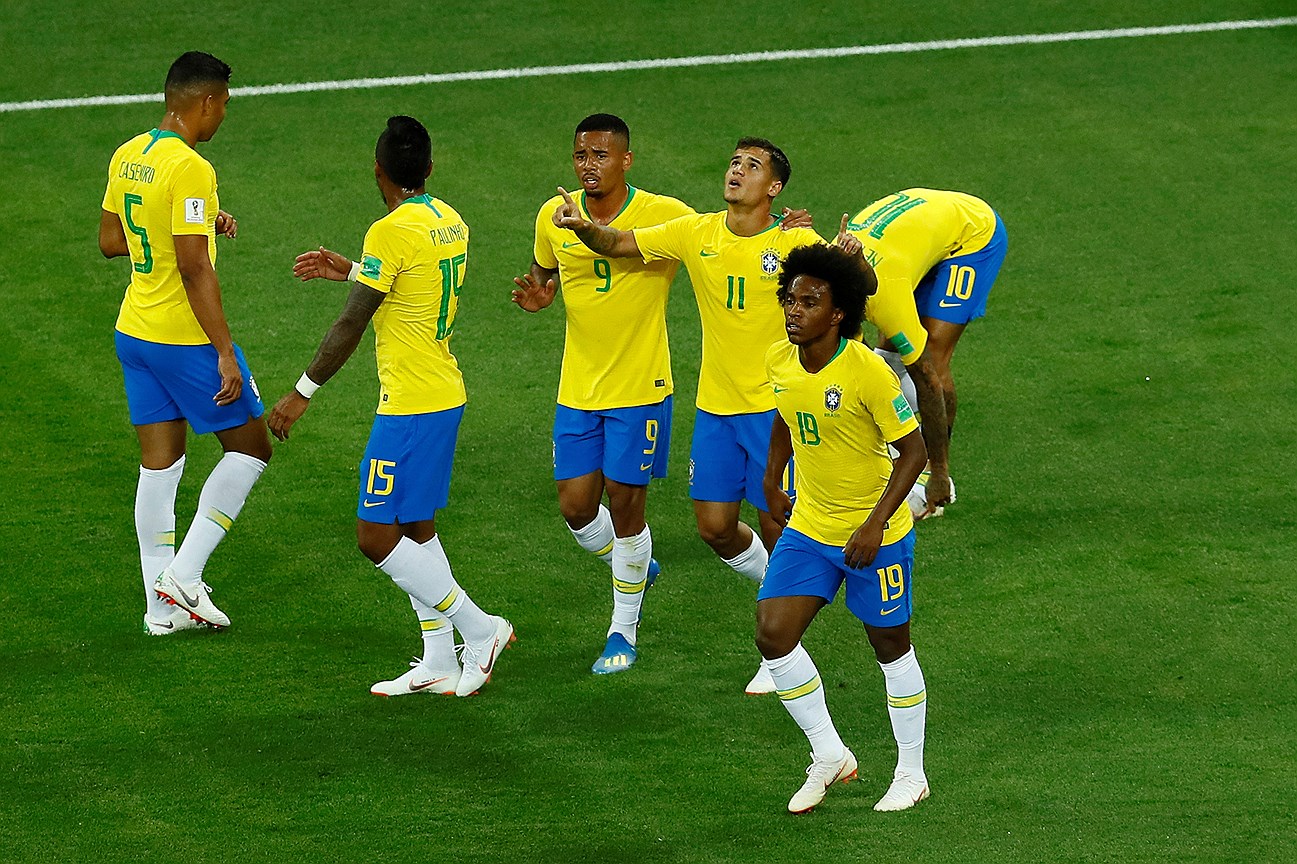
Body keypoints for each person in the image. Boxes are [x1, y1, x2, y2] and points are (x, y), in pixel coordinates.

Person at [553, 137, 858, 692]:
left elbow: (852, 292)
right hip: (715, 409)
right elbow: (619, 242)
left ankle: (779, 647)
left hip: (775, 412)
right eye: (734, 163)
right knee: (715, 528)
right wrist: (583, 230)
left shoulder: (797, 241)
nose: (737, 172)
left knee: (777, 522)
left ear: (775, 187)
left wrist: (853, 261)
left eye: (752, 167)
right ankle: (783, 604)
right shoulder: (696, 232)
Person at [267, 116, 512, 698]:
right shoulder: (451, 221)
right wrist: (351, 270)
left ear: (377, 172)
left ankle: (481, 630)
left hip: (411, 405)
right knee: (415, 528)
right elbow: (412, 285)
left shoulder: (389, 231)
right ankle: (437, 657)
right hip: (439, 391)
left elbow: (353, 321)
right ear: (428, 169)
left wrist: (300, 394)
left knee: (375, 534)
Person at [511, 114, 692, 675]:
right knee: (575, 507)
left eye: (601, 156)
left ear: (626, 161)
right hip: (578, 386)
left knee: (626, 502)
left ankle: (623, 630)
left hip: (640, 386)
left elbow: (724, 235)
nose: (589, 165)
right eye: (582, 155)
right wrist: (543, 296)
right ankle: (633, 563)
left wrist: (783, 226)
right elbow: (543, 273)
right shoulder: (553, 213)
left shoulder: (664, 215)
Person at [99, 51, 271, 635]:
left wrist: (192, 222)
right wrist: (224, 352)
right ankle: (185, 575)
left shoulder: (130, 153)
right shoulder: (192, 167)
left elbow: (111, 239)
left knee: (160, 466)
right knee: (251, 448)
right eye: (223, 103)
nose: (224, 114)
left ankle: (158, 608)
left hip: (135, 333)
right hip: (182, 338)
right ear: (203, 102)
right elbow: (196, 270)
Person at [757, 243, 930, 814]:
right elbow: (788, 413)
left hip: (872, 535)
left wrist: (875, 525)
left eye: (810, 302)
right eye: (790, 299)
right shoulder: (781, 359)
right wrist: (772, 476)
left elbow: (913, 451)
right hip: (810, 525)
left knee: (890, 648)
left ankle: (911, 772)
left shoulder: (868, 373)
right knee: (773, 635)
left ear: (838, 314)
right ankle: (829, 753)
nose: (794, 310)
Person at [845, 189, 1008, 517]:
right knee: (874, 365)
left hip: (971, 236)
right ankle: (892, 454)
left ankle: (933, 470)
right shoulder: (823, 276)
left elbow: (929, 382)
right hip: (915, 233)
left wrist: (940, 473)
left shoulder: (884, 296)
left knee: (929, 359)